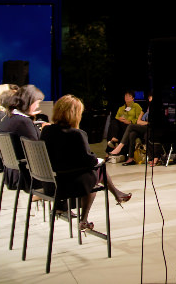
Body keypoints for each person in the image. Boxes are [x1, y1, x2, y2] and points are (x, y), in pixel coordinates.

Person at [41, 95, 131, 230]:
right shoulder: (77, 134)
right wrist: (96, 159)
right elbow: (89, 160)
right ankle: (84, 219)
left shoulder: (47, 130)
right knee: (97, 172)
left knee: (95, 172)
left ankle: (117, 194)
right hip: (69, 183)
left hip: (50, 183)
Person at [0, 85, 45, 190]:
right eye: (36, 103)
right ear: (29, 102)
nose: (37, 106)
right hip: (29, 177)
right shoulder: (23, 122)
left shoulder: (9, 118)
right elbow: (37, 149)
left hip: (13, 173)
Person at [109, 92, 150, 166]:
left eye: (129, 96)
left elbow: (138, 120)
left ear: (133, 98)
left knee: (130, 127)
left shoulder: (137, 106)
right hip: (129, 126)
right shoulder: (122, 107)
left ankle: (119, 147)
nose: (127, 98)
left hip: (135, 125)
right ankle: (130, 158)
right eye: (125, 96)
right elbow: (117, 117)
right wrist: (122, 120)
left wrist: (130, 121)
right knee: (131, 133)